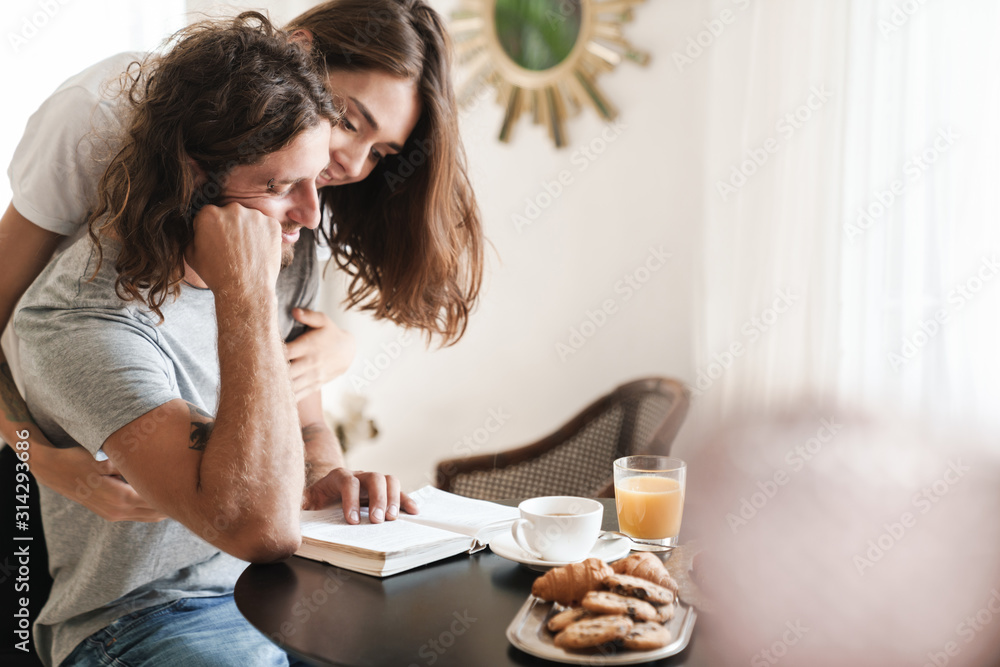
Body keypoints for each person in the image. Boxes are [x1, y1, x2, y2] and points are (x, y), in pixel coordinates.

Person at [14, 12, 427, 667]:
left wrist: (328, 476)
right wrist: (244, 298)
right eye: (278, 186)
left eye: (313, 178)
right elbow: (257, 525)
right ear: (195, 177)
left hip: (282, 590)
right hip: (146, 619)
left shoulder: (283, 247)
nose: (312, 215)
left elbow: (308, 429)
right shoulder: (78, 319)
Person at [0, 0, 483, 522]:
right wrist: (40, 462)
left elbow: (298, 412)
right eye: (347, 120)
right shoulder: (101, 113)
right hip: (52, 458)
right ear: (299, 55)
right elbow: (23, 314)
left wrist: (331, 363)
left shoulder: (299, 197)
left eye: (382, 153)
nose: (352, 163)